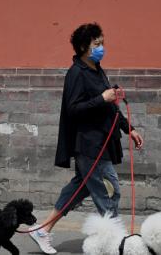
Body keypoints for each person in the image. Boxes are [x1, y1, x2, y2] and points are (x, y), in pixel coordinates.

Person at [28, 23, 144, 254]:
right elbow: (72, 109)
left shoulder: (97, 69)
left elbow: (109, 105)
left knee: (80, 188)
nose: (101, 48)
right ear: (83, 47)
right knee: (109, 191)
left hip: (102, 141)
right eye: (96, 44)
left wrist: (128, 128)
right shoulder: (76, 73)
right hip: (89, 144)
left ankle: (42, 229)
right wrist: (101, 98)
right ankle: (115, 243)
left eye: (102, 43)